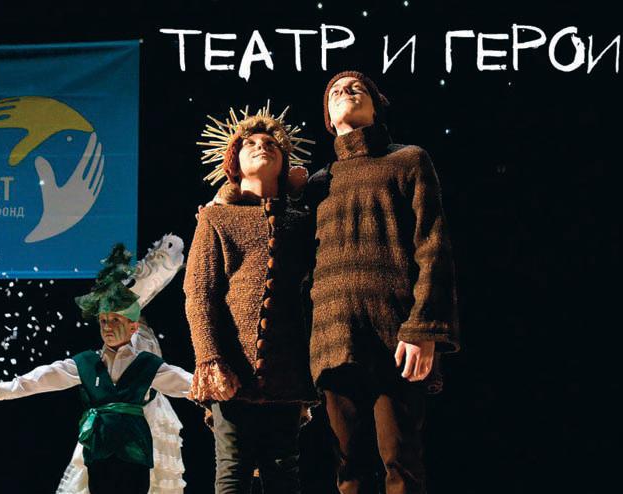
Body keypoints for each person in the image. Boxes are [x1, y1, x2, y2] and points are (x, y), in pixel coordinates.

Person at [304, 71, 461, 494]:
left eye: (356, 88)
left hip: (397, 337)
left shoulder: (408, 160)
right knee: (348, 474)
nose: (345, 91)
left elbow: (433, 247)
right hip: (333, 340)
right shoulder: (318, 184)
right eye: (335, 91)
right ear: (328, 119)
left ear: (376, 107)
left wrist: (423, 329)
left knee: (401, 464)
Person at [0, 243, 192, 494]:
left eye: (115, 320)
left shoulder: (146, 363)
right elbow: (49, 376)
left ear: (133, 327)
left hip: (135, 452)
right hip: (100, 449)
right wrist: (8, 389)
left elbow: (183, 382)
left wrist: (216, 389)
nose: (107, 327)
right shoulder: (88, 363)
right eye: (103, 321)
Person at [185, 104, 316, 493]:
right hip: (233, 368)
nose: (262, 146)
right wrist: (210, 358)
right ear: (234, 163)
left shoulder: (301, 219)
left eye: (272, 144)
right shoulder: (216, 219)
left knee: (284, 471)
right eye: (251, 144)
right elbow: (200, 292)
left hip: (287, 369)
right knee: (233, 469)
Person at [56, 235, 189, 494]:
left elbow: (172, 378)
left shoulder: (137, 333)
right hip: (114, 421)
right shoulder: (121, 333)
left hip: (142, 415)